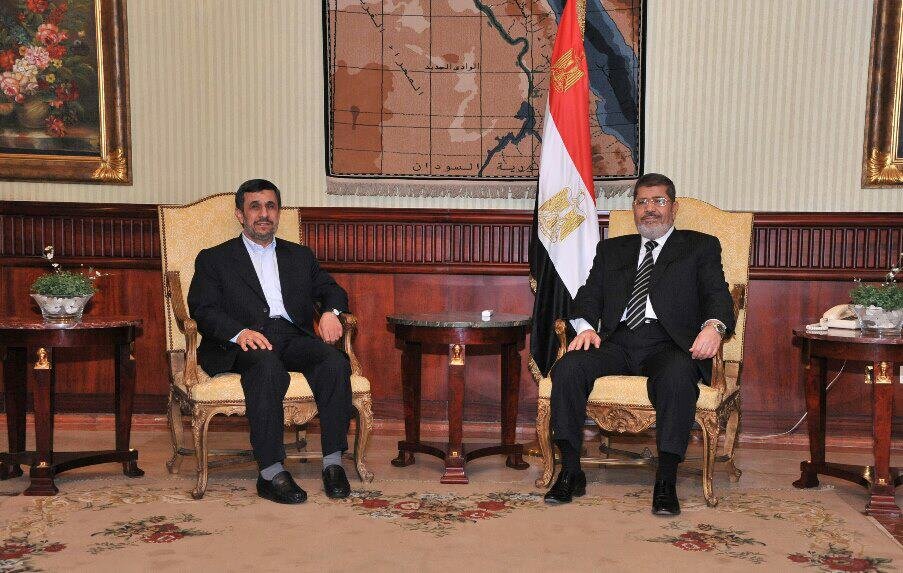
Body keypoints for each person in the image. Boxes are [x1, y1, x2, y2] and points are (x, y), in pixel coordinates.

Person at [544, 173, 735, 515]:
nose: (650, 209)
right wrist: (585, 327)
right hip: (618, 341)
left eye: (658, 201)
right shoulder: (612, 249)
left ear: (673, 207)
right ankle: (571, 470)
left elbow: (717, 295)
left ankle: (666, 480)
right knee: (569, 367)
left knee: (677, 377)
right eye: (642, 202)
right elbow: (589, 295)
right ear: (634, 208)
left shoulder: (700, 246)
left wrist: (714, 327)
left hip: (669, 343)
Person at [187, 179, 353, 504]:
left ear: (278, 212)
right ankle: (270, 472)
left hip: (291, 336)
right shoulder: (214, 259)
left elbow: (333, 290)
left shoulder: (300, 256)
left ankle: (333, 463)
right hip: (242, 341)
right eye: (255, 207)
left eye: (270, 206)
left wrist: (330, 313)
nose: (264, 214)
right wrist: (239, 333)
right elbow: (202, 310)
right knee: (266, 368)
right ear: (240, 214)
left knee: (334, 362)